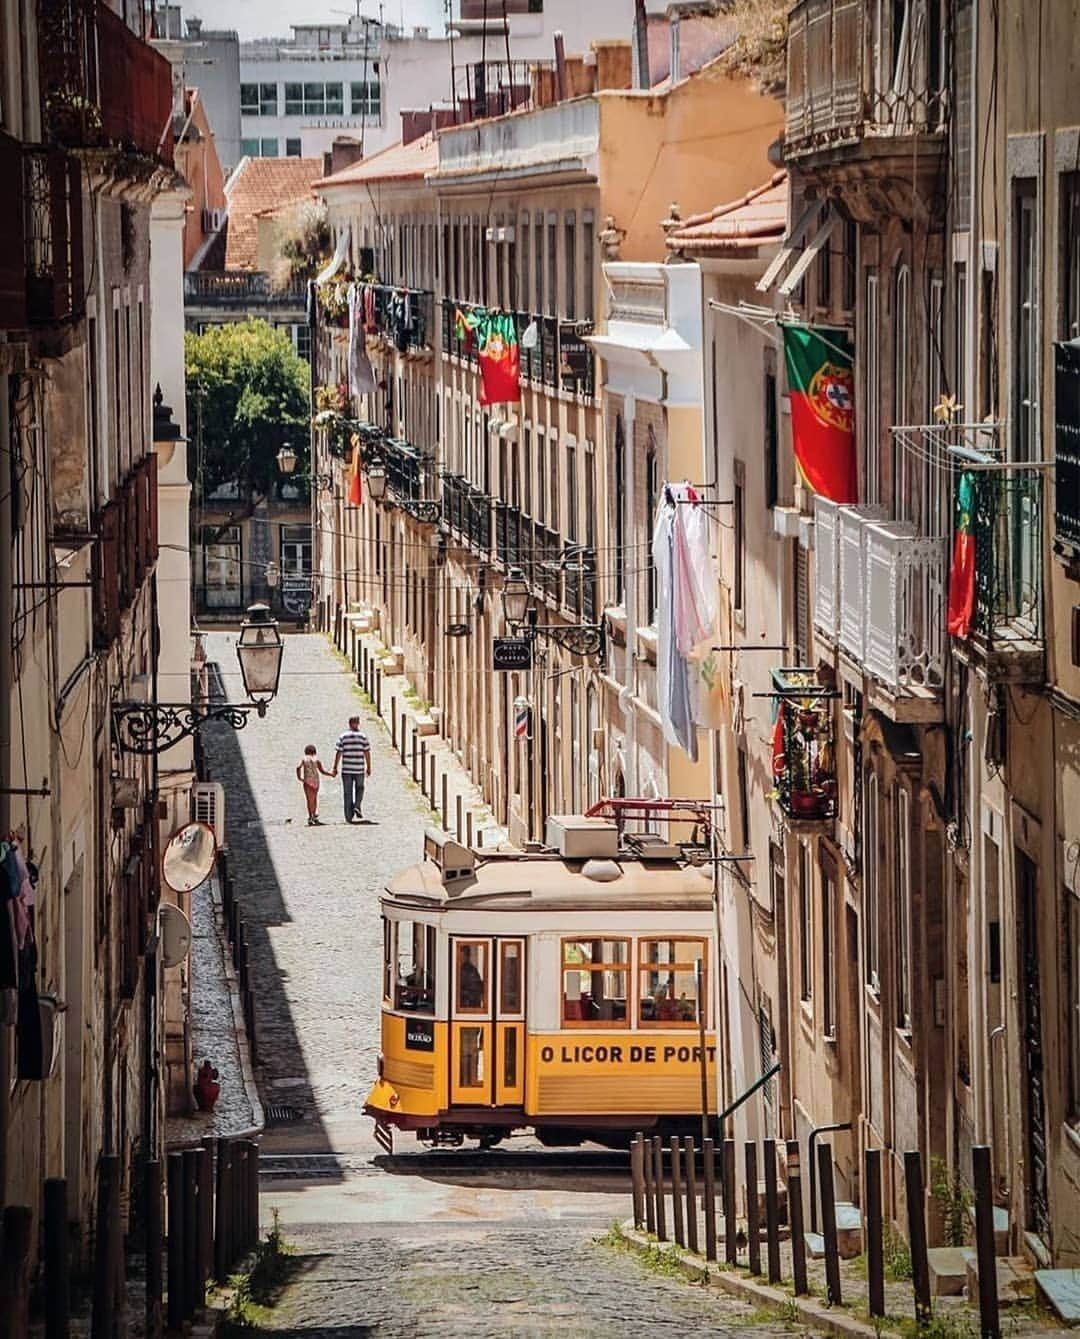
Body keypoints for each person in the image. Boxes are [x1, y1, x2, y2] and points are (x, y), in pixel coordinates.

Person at [333, 715, 372, 823]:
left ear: (349, 723)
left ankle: (348, 816)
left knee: (347, 792)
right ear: (358, 723)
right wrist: (369, 766)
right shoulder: (363, 736)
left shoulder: (343, 736)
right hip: (359, 768)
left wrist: (335, 767)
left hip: (347, 769)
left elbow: (339, 752)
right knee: (360, 788)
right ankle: (357, 806)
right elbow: (367, 752)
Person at [295, 744, 333, 826]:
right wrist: (331, 774)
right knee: (315, 799)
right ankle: (315, 815)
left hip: (307, 781)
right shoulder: (317, 760)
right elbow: (322, 771)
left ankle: (310, 816)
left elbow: (298, 767)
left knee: (309, 800)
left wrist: (299, 777)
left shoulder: (304, 759)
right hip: (316, 781)